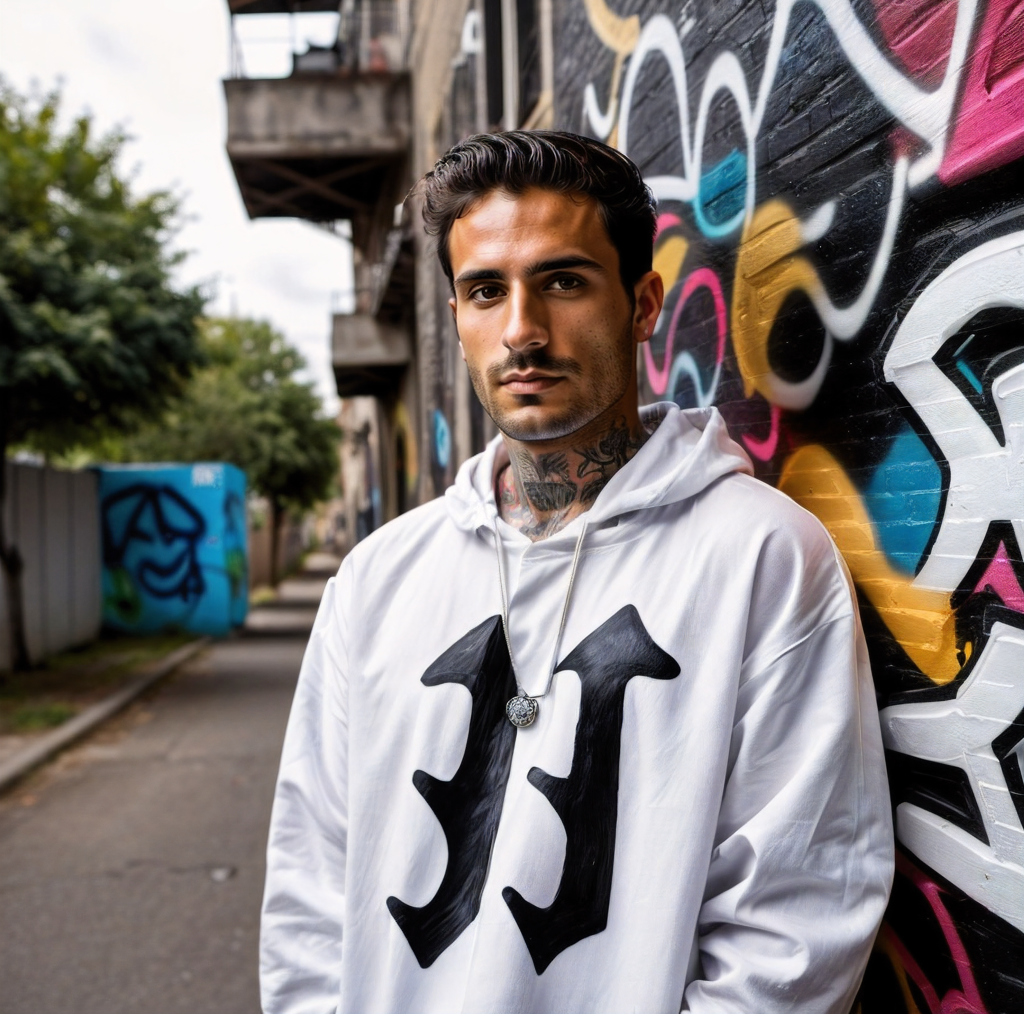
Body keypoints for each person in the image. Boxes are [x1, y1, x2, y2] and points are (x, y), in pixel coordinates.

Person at [259, 131, 893, 1014]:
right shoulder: (376, 581)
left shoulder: (761, 558)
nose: (522, 330)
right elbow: (310, 891)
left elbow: (796, 918)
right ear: (458, 319)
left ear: (642, 304)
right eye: (486, 291)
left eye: (562, 281)